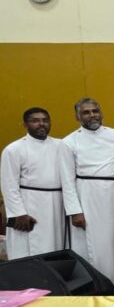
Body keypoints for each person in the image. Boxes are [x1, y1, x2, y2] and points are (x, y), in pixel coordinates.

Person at [64, 98, 114, 291]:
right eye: (86, 112)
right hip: (86, 192)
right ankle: (97, 288)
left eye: (95, 111)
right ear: (78, 116)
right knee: (93, 246)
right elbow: (67, 180)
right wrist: (74, 210)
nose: (92, 115)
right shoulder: (69, 141)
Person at [1, 107, 81, 260]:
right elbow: (9, 185)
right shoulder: (14, 149)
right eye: (35, 121)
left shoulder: (61, 145)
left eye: (45, 120)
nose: (41, 124)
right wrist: (19, 213)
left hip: (57, 204)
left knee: (56, 247)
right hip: (30, 205)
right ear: (25, 124)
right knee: (30, 250)